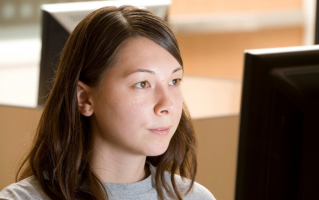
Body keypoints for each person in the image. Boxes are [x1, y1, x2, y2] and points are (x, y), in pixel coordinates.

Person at [0, 5, 215, 200]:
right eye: (142, 84)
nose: (167, 104)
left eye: (174, 81)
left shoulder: (196, 197)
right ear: (84, 98)